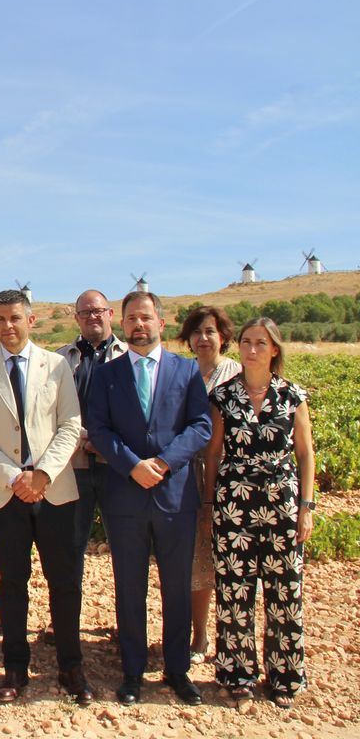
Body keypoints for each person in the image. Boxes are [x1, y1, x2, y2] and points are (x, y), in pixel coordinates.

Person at [0, 290, 91, 705]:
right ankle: (15, 668)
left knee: (64, 581)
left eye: (15, 318)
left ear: (30, 321)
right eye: (0, 319)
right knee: (13, 582)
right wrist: (15, 477)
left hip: (54, 490)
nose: (8, 326)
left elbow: (70, 425)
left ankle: (71, 666)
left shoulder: (57, 365)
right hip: (6, 493)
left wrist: (43, 474)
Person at [86, 291, 212, 706]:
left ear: (161, 321)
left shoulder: (186, 370)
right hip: (125, 498)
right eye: (131, 319)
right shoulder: (107, 374)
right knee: (129, 588)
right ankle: (133, 672)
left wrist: (162, 462)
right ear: (122, 324)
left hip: (174, 496)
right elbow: (99, 429)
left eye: (145, 317)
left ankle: (177, 670)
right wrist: (131, 466)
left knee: (176, 587)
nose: (138, 325)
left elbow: (200, 426)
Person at [204, 318, 315, 709]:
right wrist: (209, 504)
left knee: (285, 591)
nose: (251, 350)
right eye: (247, 342)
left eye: (261, 343)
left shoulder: (292, 395)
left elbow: (305, 454)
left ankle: (285, 676)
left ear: (274, 349)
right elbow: (213, 454)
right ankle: (238, 674)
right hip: (234, 506)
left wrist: (306, 508)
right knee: (235, 591)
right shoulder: (223, 396)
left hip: (282, 505)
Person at [53, 290, 127, 643]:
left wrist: (107, 442)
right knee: (69, 549)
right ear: (77, 318)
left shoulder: (129, 356)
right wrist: (84, 438)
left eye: (98, 311)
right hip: (74, 465)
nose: (92, 317)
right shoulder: (60, 359)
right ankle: (65, 626)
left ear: (110, 314)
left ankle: (128, 626)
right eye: (85, 312)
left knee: (125, 549)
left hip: (118, 468)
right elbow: (52, 409)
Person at [177, 305, 241, 665]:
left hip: (229, 477)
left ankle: (233, 638)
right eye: (197, 332)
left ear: (223, 337)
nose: (203, 339)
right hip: (190, 474)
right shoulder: (183, 373)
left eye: (210, 332)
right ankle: (199, 636)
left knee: (232, 562)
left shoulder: (236, 375)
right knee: (197, 561)